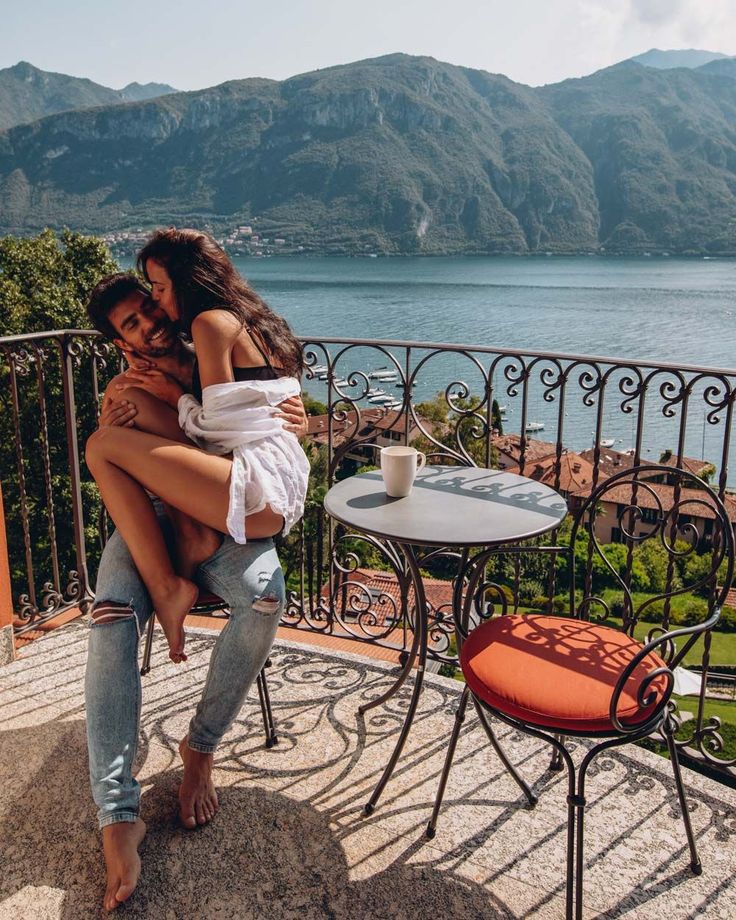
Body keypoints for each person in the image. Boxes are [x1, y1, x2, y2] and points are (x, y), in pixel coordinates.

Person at [84, 269, 308, 911]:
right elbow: (141, 470)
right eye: (130, 324)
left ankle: (201, 747)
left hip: (225, 525)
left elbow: (271, 431)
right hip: (150, 528)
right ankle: (117, 810)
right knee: (108, 615)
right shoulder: (126, 390)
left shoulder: (222, 356)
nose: (149, 323)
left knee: (266, 593)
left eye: (149, 307)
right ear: (119, 342)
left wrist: (294, 419)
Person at [85, 229, 310, 663]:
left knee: (99, 448)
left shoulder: (209, 327)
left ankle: (170, 586)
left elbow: (223, 432)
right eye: (135, 321)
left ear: (184, 284)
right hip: (240, 492)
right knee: (107, 437)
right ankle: (185, 545)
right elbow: (265, 398)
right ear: (121, 342)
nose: (156, 308)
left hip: (252, 493)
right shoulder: (239, 320)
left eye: (158, 292)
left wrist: (175, 400)